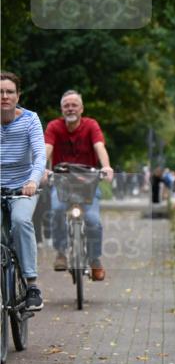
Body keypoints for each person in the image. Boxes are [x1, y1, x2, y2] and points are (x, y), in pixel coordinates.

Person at [44, 90, 114, 281]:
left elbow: (99, 146)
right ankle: (60, 252)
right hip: (62, 181)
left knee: (93, 220)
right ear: (61, 109)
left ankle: (94, 259)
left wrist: (106, 166)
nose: (70, 108)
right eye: (66, 105)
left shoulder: (91, 125)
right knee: (57, 210)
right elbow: (47, 148)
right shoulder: (54, 127)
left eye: (74, 105)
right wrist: (42, 168)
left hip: (88, 182)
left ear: (81, 109)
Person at [0, 71, 47, 310]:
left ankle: (31, 285)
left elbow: (40, 156)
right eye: (0, 92)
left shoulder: (30, 119)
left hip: (23, 189)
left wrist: (33, 181)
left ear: (18, 96)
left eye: (9, 92)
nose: (4, 96)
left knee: (20, 221)